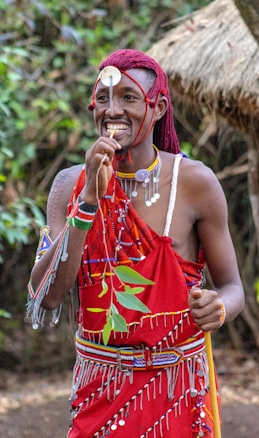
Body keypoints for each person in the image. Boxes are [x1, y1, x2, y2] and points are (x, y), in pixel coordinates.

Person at [26, 49, 244, 438]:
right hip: (99, 393)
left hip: (179, 392)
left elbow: (233, 288)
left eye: (129, 97)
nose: (113, 110)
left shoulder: (195, 183)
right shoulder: (68, 185)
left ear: (157, 107)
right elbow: (46, 296)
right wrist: (89, 200)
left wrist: (219, 307)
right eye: (104, 98)